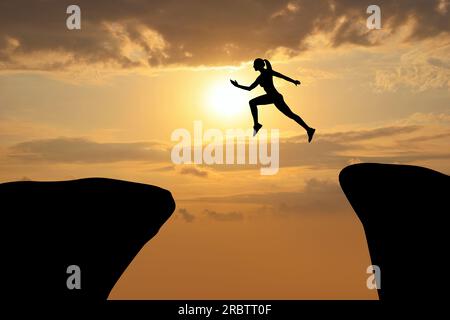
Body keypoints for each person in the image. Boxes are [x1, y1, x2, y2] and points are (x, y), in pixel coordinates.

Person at [230, 58, 315, 142]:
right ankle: (256, 124)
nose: (253, 66)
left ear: (259, 65)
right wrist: (237, 86)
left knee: (291, 115)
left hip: (276, 97)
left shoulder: (268, 72)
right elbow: (249, 88)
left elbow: (282, 76)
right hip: (271, 97)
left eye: (254, 65)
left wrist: (293, 81)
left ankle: (309, 129)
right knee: (252, 102)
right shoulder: (259, 78)